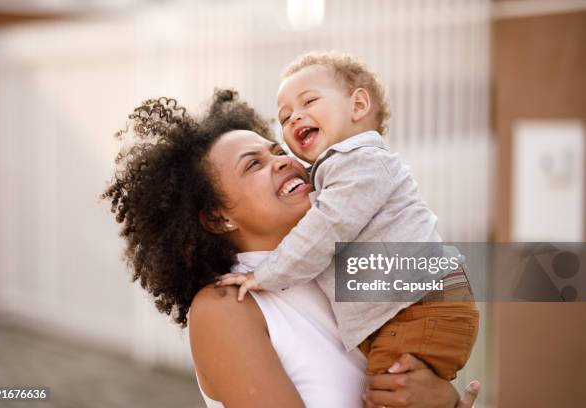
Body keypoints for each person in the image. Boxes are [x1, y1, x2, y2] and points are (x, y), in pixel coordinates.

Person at [102, 89, 480, 407]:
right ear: (218, 218)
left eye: (277, 151)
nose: (283, 162)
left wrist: (446, 401)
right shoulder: (226, 308)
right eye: (254, 165)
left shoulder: (343, 265)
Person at [218, 51, 479, 381]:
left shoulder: (360, 163)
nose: (294, 118)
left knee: (387, 397)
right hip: (409, 308)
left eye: (308, 101)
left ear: (358, 106)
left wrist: (267, 274)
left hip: (419, 305)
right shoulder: (338, 172)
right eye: (284, 118)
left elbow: (328, 227)